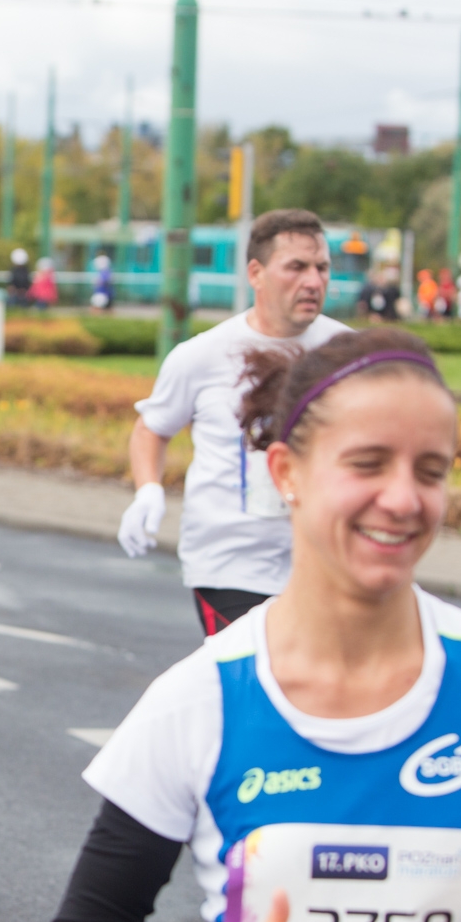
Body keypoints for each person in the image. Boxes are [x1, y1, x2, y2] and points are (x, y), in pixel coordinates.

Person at [48, 326, 461, 922]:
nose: (405, 498)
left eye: (431, 470)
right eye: (368, 462)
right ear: (286, 472)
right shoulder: (199, 698)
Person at [118, 209, 344, 636]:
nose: (313, 281)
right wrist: (148, 490)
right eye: (296, 267)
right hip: (231, 565)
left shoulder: (345, 352)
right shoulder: (202, 355)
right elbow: (153, 427)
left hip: (323, 561)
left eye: (321, 268)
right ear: (256, 273)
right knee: (253, 686)